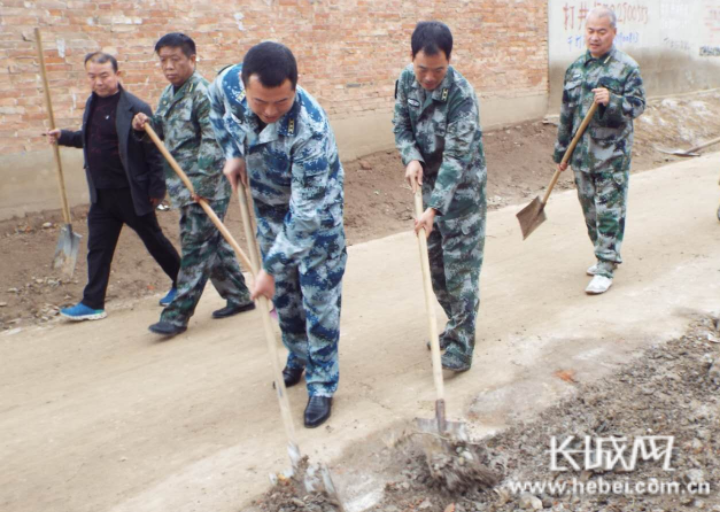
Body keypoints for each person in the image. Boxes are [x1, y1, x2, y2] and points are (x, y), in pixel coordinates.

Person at [208, 42, 347, 428]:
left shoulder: (311, 130)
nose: (269, 112)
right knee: (285, 299)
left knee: (319, 303)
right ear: (244, 86)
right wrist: (232, 152)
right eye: (260, 102)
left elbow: (304, 218)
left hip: (317, 221)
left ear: (295, 88)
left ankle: (322, 384)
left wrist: (267, 269)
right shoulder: (230, 85)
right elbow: (213, 103)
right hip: (268, 210)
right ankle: (297, 357)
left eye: (281, 102)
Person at [132, 33, 254, 337]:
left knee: (195, 248)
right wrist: (146, 125)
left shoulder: (201, 92)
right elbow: (163, 129)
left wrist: (202, 183)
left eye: (176, 59)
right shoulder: (169, 93)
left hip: (205, 185)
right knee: (212, 244)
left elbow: (213, 141)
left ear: (192, 59)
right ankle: (239, 296)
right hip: (181, 185)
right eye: (163, 60)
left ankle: (176, 315)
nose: (169, 66)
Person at [47, 52, 180, 321]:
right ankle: (93, 302)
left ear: (118, 75)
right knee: (98, 248)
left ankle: (183, 282)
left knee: (154, 240)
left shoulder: (134, 107)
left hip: (130, 192)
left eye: (104, 75)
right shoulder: (92, 103)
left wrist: (156, 190)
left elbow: (154, 152)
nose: (97, 82)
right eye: (92, 76)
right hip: (102, 194)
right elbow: (91, 139)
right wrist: (64, 137)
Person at [393, 21, 487, 373]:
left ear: (449, 61)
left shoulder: (462, 95)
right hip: (427, 186)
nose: (429, 78)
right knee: (437, 272)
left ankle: (462, 347)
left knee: (461, 273)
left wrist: (434, 208)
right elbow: (400, 123)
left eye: (438, 70)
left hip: (461, 195)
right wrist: (411, 156)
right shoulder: (406, 80)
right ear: (411, 58)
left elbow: (457, 159)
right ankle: (455, 326)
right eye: (422, 69)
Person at [554, 6, 645, 294]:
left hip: (612, 155)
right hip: (581, 154)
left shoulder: (626, 67)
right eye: (590, 31)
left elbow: (638, 105)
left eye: (601, 32)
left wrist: (613, 100)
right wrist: (561, 152)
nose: (594, 37)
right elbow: (566, 112)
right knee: (590, 211)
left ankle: (606, 265)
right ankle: (602, 252)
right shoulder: (576, 68)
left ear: (614, 33)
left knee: (609, 211)